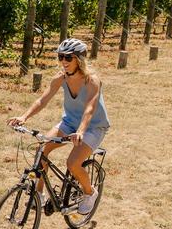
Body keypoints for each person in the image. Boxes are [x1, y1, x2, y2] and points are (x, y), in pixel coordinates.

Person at [7, 38, 110, 215]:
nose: (63, 61)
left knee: (72, 163)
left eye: (68, 57)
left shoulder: (92, 80)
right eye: (60, 57)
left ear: (79, 59)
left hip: (93, 127)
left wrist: (81, 131)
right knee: (42, 149)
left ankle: (90, 192)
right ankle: (38, 194)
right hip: (70, 122)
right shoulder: (60, 78)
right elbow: (42, 100)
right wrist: (24, 117)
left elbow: (90, 107)